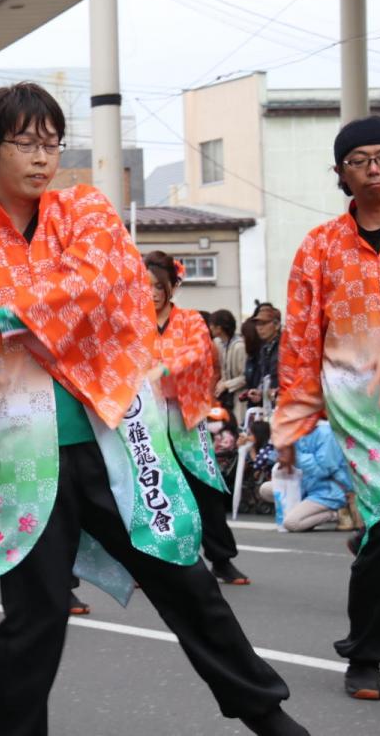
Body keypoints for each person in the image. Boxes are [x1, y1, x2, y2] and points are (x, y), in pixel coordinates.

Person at [0, 82, 305, 736]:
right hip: (23, 464)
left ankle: (267, 715)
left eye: (52, 141)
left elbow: (102, 281)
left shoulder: (86, 215)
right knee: (35, 616)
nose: (43, 156)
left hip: (114, 445)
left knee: (186, 583)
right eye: (25, 141)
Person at [273, 115, 380, 701]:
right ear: (340, 172)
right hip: (362, 410)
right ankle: (366, 655)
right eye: (359, 159)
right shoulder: (319, 246)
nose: (373, 169)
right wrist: (292, 418)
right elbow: (300, 339)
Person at [145, 251, 249, 586]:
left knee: (205, 487)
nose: (153, 292)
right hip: (147, 417)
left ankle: (221, 558)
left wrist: (164, 367)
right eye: (146, 286)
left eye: (159, 286)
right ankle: (152, 560)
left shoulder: (190, 320)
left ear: (172, 286)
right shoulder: (134, 323)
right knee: (152, 487)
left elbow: (198, 352)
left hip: (185, 415)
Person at [258, 420, 352, 532]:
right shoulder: (296, 431)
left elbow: (324, 470)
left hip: (328, 491)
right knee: (265, 489)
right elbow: (280, 457)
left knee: (291, 523)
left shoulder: (326, 433)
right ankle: (305, 512)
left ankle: (334, 513)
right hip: (305, 486)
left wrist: (294, 457)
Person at [212, 310, 247, 422]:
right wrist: (221, 381)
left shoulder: (239, 346)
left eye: (212, 325)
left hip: (239, 397)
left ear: (219, 328)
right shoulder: (219, 343)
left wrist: (226, 384)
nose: (210, 327)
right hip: (228, 397)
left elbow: (245, 377)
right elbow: (224, 370)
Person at [246, 304, 281, 407]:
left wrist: (276, 392)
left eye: (264, 323)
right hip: (269, 404)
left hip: (283, 404)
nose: (260, 328)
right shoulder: (264, 348)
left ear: (277, 325)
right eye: (257, 324)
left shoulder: (285, 346)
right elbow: (264, 376)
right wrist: (259, 392)